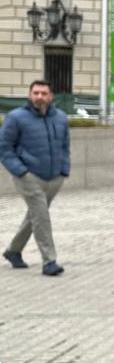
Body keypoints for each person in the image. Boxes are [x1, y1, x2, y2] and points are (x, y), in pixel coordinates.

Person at [2, 79, 70, 276]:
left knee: (35, 215)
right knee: (42, 216)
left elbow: (65, 146)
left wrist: (64, 170)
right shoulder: (16, 117)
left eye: (44, 93)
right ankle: (49, 261)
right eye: (36, 93)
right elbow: (4, 148)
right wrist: (21, 171)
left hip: (54, 178)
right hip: (28, 176)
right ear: (29, 95)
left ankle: (14, 251)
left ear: (51, 96)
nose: (39, 97)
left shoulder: (61, 118)